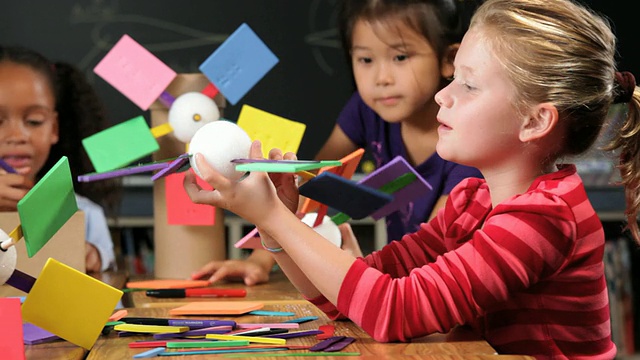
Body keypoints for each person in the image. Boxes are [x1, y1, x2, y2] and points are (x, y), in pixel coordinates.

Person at [184, 0, 640, 357]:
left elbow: (393, 312)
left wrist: (272, 217)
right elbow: (353, 298)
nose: (443, 94)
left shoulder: (543, 219)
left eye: (468, 84)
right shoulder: (468, 203)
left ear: (535, 122)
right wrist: (275, 224)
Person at [190, 0, 483, 286]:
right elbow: (308, 183)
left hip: (445, 292)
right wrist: (259, 259)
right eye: (366, 60)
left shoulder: (470, 142)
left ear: (449, 61)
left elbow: (435, 249)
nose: (382, 78)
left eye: (400, 57)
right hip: (403, 284)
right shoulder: (367, 111)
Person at [0, 45, 121, 273]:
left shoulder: (84, 214)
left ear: (54, 128)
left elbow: (106, 279)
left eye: (34, 121)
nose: (17, 137)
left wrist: (92, 256)